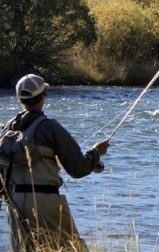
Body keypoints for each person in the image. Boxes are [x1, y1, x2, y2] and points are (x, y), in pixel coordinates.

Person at [0, 74, 109, 251]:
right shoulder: (50, 127)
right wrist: (96, 152)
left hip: (14, 203)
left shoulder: (6, 129)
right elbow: (77, 169)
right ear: (44, 95)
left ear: (19, 98)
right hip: (47, 203)